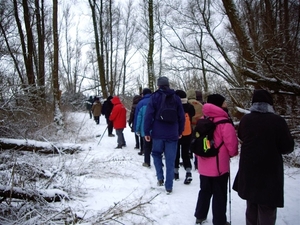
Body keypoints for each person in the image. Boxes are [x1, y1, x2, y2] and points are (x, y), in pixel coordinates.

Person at [233, 89, 294, 225]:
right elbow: (287, 147)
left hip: (249, 169)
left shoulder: (246, 120)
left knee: (252, 204)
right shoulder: (277, 121)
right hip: (269, 171)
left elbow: (241, 136)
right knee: (267, 207)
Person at [194, 94, 238, 225]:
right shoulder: (224, 122)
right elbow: (232, 145)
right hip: (219, 166)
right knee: (220, 193)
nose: (226, 105)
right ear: (219, 104)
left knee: (204, 190)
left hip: (204, 163)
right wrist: (232, 153)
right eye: (224, 102)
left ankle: (200, 216)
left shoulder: (203, 118)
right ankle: (219, 221)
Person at [144, 76, 185, 193]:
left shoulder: (154, 97)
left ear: (158, 85)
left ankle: (160, 177)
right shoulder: (176, 98)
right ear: (168, 85)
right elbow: (181, 117)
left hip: (158, 133)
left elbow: (148, 115)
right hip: (173, 133)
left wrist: (147, 131)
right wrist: (180, 131)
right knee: (170, 160)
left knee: (156, 154)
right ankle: (169, 186)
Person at [174, 90, 195, 184]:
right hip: (188, 133)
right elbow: (193, 115)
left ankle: (175, 173)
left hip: (176, 133)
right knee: (185, 153)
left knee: (176, 153)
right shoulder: (190, 107)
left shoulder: (175, 106)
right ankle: (188, 172)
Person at [134, 88, 152, 167]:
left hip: (144, 128)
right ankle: (159, 162)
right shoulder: (156, 101)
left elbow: (138, 117)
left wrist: (137, 129)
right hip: (156, 128)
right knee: (156, 146)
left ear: (143, 94)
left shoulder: (140, 103)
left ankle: (147, 162)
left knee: (147, 146)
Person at [187, 89, 204, 168]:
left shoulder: (188, 103)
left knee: (189, 141)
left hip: (190, 125)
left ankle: (189, 154)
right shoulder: (200, 104)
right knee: (197, 142)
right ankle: (197, 162)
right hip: (199, 125)